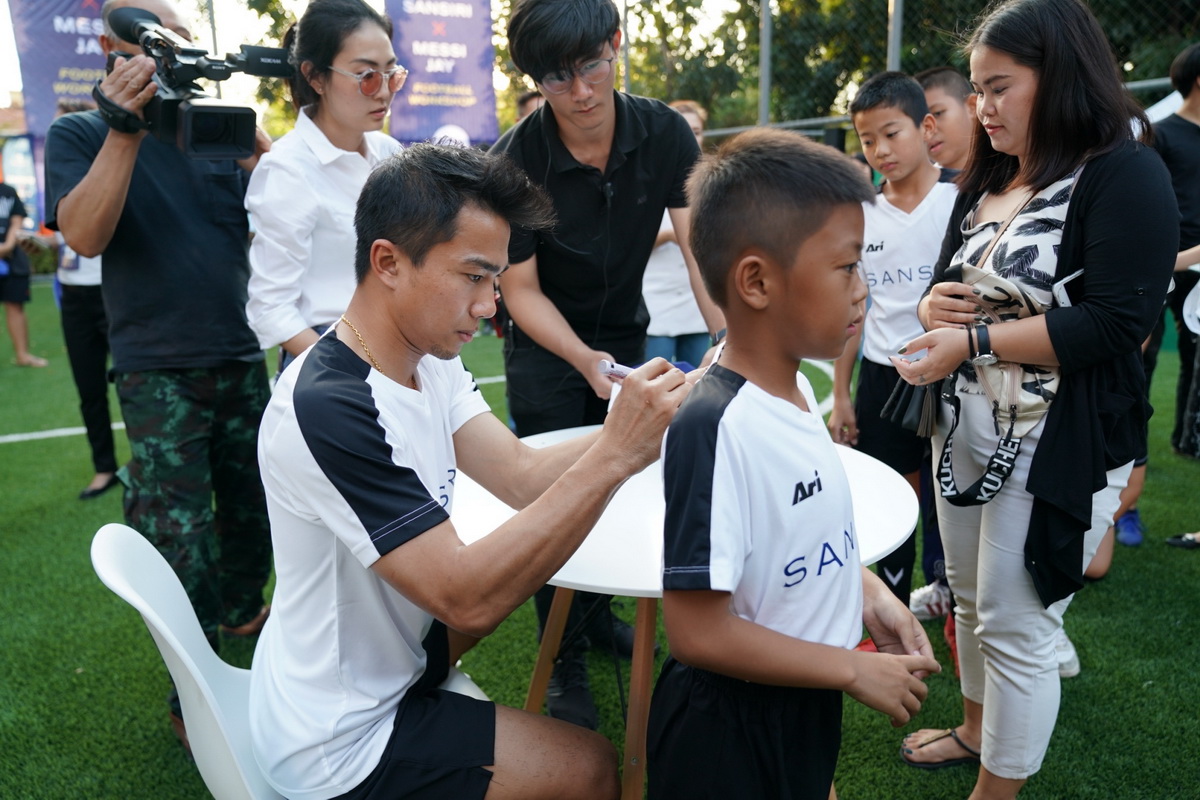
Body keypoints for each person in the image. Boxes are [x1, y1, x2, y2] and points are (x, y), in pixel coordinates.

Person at [250, 142, 690, 800]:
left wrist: (647, 421)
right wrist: (617, 453)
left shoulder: (427, 356)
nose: (491, 306)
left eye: (496, 281)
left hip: (398, 671)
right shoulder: (327, 407)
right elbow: (467, 599)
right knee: (595, 768)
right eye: (474, 277)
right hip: (339, 738)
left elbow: (519, 473)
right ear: (388, 263)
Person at [890, 0, 1176, 795]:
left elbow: (1117, 321)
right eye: (977, 89)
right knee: (972, 597)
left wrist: (974, 342)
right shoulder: (986, 174)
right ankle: (976, 729)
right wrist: (929, 312)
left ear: (1061, 77)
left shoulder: (1124, 170)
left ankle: (998, 788)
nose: (982, 107)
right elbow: (945, 285)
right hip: (965, 424)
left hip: (1061, 440)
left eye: (999, 87)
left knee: (1018, 621)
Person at [646, 127, 939, 800]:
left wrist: (867, 593)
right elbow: (696, 631)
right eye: (846, 267)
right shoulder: (712, 424)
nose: (863, 289)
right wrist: (848, 669)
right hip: (728, 730)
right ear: (756, 281)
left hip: (801, 701)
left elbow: (792, 533)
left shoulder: (799, 387)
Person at [44, 0, 275, 746]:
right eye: (147, 31)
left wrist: (261, 149)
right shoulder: (79, 131)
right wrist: (124, 126)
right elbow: (82, 232)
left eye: (172, 31)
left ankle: (243, 611)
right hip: (157, 368)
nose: (164, 42)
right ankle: (194, 684)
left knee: (253, 507)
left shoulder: (215, 130)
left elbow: (287, 211)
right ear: (112, 47)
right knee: (180, 532)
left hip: (241, 351)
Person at [488, 0, 722, 729]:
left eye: (591, 64)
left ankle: (595, 622)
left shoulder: (663, 132)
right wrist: (583, 359)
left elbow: (698, 247)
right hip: (548, 353)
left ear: (615, 44)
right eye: (558, 78)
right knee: (554, 501)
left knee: (624, 486)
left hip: (627, 337)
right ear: (535, 79)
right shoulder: (514, 159)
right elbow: (518, 290)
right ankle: (560, 658)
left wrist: (726, 338)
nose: (582, 91)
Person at [831, 71, 958, 611]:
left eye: (891, 133)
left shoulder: (965, 199)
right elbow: (851, 312)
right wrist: (841, 393)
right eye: (866, 140)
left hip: (956, 371)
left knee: (948, 492)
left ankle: (951, 599)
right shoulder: (858, 214)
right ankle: (893, 602)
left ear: (925, 127)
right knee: (892, 494)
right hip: (884, 377)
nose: (880, 150)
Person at [246, 0, 405, 374]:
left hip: (402, 350)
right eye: (366, 76)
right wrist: (350, 370)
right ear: (315, 77)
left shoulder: (389, 154)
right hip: (329, 360)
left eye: (392, 74)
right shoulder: (287, 168)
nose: (383, 92)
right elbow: (271, 308)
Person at [1122, 42, 1200, 548]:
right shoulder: (1160, 135)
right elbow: (1143, 211)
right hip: (1162, 268)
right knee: (1135, 373)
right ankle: (1123, 503)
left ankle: (1185, 440)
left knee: (1195, 368)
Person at [642, 100, 710, 368]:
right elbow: (628, 246)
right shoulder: (648, 180)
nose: (692, 138)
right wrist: (672, 236)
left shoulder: (713, 185)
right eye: (686, 131)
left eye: (697, 131)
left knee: (696, 386)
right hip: (656, 302)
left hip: (698, 305)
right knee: (653, 382)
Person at [0, 181, 48, 368]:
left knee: (15, 307)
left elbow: (17, 220)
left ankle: (23, 354)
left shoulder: (8, 191)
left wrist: (7, 246)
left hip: (12, 261)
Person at [916, 66, 976, 172]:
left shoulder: (1009, 172)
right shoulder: (924, 187)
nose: (928, 130)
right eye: (918, 123)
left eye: (937, 113)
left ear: (972, 106)